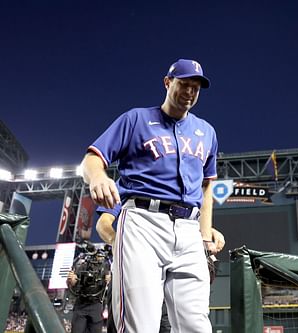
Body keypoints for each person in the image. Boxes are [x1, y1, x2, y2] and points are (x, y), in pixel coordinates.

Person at [81, 58, 218, 332]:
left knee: (196, 325)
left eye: (196, 87)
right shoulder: (136, 119)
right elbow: (92, 159)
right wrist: (97, 176)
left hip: (189, 229)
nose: (190, 91)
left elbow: (207, 186)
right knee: (140, 325)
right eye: (184, 84)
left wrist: (205, 235)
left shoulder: (207, 132)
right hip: (143, 222)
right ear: (168, 82)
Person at [95, 204, 226, 333]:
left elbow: (175, 221)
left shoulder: (178, 195)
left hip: (168, 271)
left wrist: (207, 231)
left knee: (169, 325)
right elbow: (103, 223)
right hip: (133, 268)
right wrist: (115, 240)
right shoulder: (129, 187)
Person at [67, 242, 111, 333]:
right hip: (81, 304)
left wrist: (109, 281)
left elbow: (109, 290)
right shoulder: (83, 266)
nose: (100, 257)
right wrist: (72, 282)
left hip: (96, 305)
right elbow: (73, 286)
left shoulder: (106, 268)